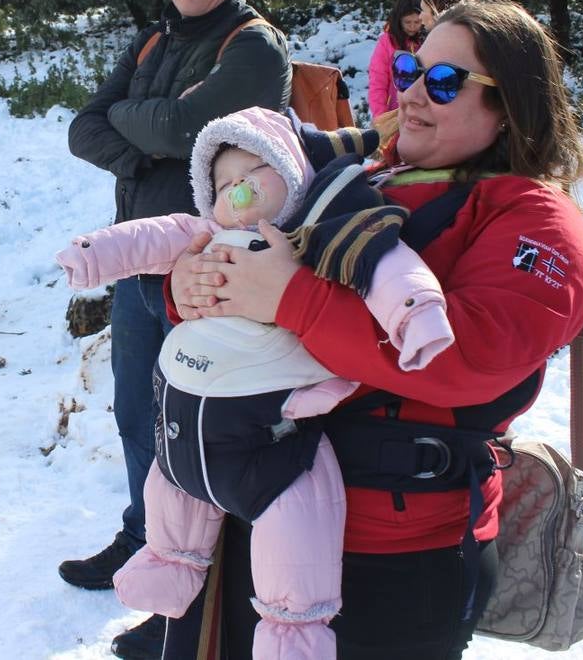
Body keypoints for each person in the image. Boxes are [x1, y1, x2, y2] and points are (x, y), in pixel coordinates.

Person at [169, 0, 583, 659]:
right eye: (409, 68)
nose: (414, 91)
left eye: (447, 80)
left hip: (397, 553)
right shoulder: (358, 174)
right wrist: (194, 286)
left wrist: (293, 299)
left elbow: (472, 359)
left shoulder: (535, 221)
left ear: (511, 104)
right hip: (269, 508)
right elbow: (245, 252)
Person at [59, 108, 455, 658]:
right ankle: (169, 563)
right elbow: (148, 237)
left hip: (271, 435)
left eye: (254, 171)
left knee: (294, 527)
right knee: (169, 489)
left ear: (292, 171)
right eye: (224, 184)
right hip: (188, 429)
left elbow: (386, 264)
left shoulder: (324, 231)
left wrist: (415, 311)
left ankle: (293, 632)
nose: (239, 189)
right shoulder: (205, 234)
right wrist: (94, 257)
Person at [61, 0, 292, 660]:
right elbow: (85, 127)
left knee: (200, 432)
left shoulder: (254, 49)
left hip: (213, 276)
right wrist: (146, 145)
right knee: (138, 417)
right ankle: (143, 545)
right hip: (140, 267)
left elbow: (172, 133)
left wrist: (147, 130)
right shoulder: (154, 35)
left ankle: (195, 601)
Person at [366, 0, 424, 119]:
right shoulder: (387, 42)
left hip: (422, 109)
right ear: (399, 21)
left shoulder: (428, 40)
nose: (413, 27)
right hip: (394, 112)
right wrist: (381, 115)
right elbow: (378, 81)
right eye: (407, 22)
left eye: (417, 22)